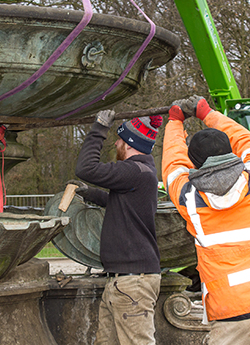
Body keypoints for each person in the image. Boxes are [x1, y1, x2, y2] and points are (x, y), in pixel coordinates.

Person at [161, 96, 250, 344]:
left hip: (231, 311)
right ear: (231, 151)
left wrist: (175, 123)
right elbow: (248, 140)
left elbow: (173, 164)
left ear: (194, 164)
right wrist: (207, 113)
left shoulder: (190, 199)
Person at [69, 109, 163, 345]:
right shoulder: (142, 172)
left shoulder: (134, 171)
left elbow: (86, 168)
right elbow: (120, 204)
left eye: (119, 140)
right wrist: (89, 193)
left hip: (133, 283)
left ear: (130, 144)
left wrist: (99, 128)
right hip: (124, 280)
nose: (116, 143)